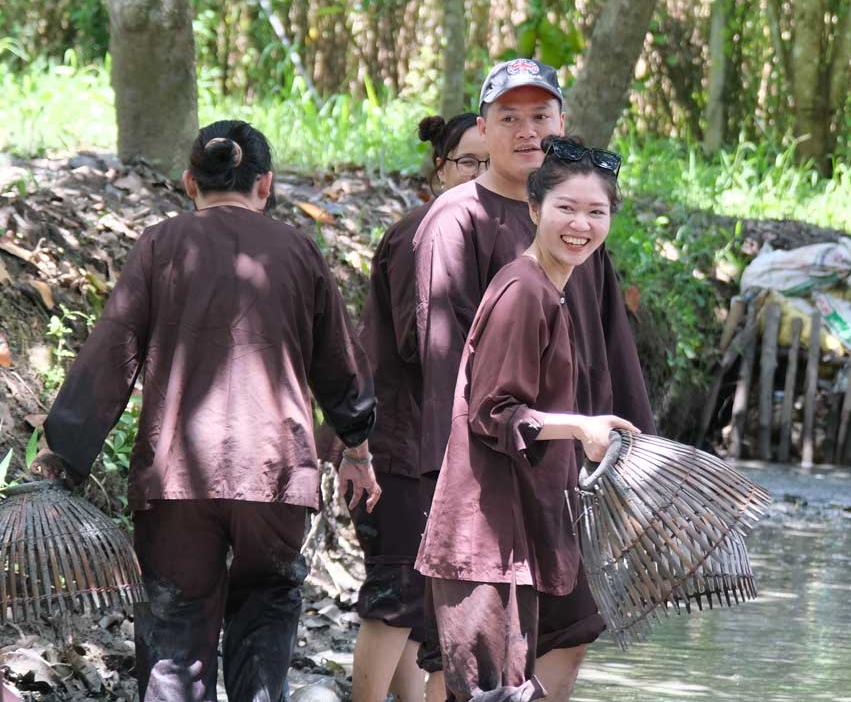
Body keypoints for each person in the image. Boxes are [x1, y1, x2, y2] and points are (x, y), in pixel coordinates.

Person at [37, 120, 380, 701]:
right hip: (274, 477)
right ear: (266, 184)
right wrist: (356, 446)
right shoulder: (298, 251)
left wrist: (63, 452)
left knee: (173, 641)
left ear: (189, 182)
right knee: (264, 622)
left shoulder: (160, 245)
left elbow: (112, 349)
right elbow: (341, 367)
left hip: (177, 481)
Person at [412, 58, 655, 701]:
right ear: (482, 128)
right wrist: (446, 489)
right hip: (488, 493)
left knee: (561, 637)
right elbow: (452, 374)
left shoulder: (576, 236)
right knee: (471, 663)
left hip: (559, 481)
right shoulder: (461, 224)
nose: (526, 130)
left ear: (561, 124)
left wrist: (639, 468)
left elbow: (611, 360)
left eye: (540, 116)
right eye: (509, 118)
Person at [347, 112, 487, 702]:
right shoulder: (422, 232)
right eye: (468, 163)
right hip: (399, 446)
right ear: (439, 168)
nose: (481, 174)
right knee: (397, 594)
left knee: (418, 607)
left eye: (492, 162)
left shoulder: (478, 232)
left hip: (429, 445)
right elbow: (420, 339)